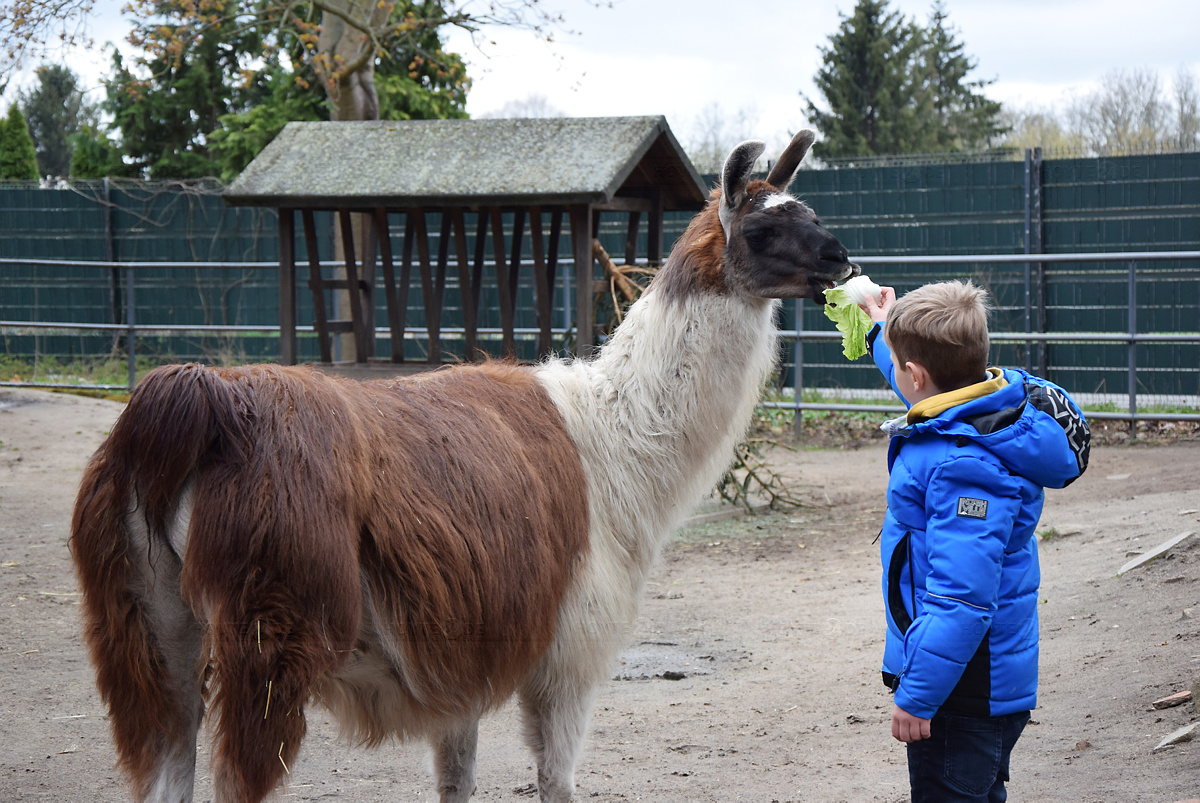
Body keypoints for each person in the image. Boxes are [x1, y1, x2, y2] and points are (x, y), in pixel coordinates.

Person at [858, 280, 1091, 802]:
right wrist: (879, 327)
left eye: (898, 364)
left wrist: (918, 698)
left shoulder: (963, 469)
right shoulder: (981, 407)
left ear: (916, 374)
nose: (899, 376)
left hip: (962, 690)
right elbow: (926, 388)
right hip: (971, 680)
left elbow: (961, 602)